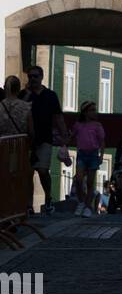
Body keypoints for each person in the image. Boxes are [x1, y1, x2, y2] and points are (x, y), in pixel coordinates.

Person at [20, 66, 66, 214]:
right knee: (28, 173)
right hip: (27, 140)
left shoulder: (50, 95)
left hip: (45, 138)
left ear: (42, 77)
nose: (32, 79)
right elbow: (20, 112)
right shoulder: (24, 95)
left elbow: (58, 117)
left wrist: (64, 135)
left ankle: (48, 197)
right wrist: (27, 94)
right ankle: (28, 204)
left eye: (35, 76)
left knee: (42, 170)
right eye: (30, 76)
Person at [71, 100, 105, 217]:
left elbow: (102, 141)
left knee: (90, 182)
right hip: (81, 154)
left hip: (93, 155)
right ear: (85, 112)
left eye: (94, 110)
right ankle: (82, 202)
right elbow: (71, 136)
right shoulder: (78, 125)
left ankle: (88, 207)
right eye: (92, 110)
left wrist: (101, 156)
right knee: (79, 180)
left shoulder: (97, 125)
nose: (94, 112)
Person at [0, 76, 34, 141]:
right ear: (19, 89)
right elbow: (31, 132)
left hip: (2, 147)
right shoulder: (26, 107)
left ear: (5, 88)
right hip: (20, 146)